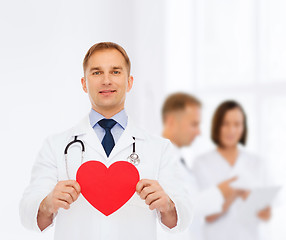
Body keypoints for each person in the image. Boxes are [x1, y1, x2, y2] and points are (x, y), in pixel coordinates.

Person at [19, 42, 192, 240]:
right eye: (96, 72)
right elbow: (26, 212)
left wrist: (168, 206)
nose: (106, 80)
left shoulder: (159, 148)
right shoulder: (56, 145)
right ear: (84, 83)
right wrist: (47, 203)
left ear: (129, 82)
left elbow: (184, 214)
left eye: (116, 72)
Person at [159, 93, 236, 240]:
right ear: (171, 121)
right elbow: (178, 208)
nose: (198, 132)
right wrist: (220, 192)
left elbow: (192, 206)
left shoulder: (180, 159)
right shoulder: (157, 158)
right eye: (194, 124)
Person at [193, 100, 271, 240]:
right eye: (225, 124)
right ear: (217, 126)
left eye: (237, 124)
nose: (231, 130)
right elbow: (207, 215)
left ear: (243, 127)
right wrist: (235, 193)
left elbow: (266, 215)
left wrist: (257, 205)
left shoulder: (257, 163)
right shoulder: (201, 163)